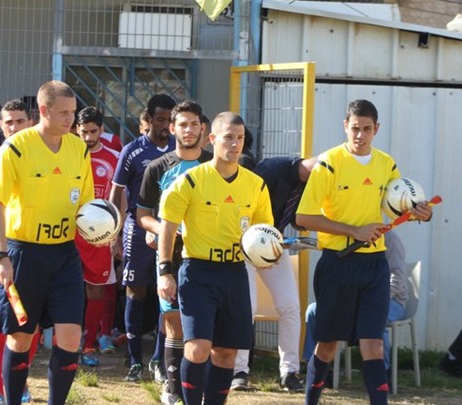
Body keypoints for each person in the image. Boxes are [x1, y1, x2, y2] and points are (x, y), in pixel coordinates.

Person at [296, 99, 432, 405]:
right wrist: (353, 231)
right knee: (327, 345)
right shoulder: (329, 162)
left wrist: (420, 212)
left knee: (373, 344)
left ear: (376, 129)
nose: (360, 135)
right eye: (355, 128)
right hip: (337, 264)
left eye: (366, 129)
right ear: (345, 126)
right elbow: (303, 217)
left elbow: (400, 205)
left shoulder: (386, 163)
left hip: (375, 266)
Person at [0, 80, 94, 405]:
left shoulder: (79, 149)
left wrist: (102, 229)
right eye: (63, 113)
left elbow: (87, 206)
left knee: (71, 336)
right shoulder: (17, 148)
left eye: (73, 112)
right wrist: (1, 255)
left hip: (64, 254)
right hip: (23, 253)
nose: (71, 119)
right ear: (44, 111)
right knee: (21, 338)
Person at [157, 111, 273, 405]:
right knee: (197, 348)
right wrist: (165, 271)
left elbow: (264, 232)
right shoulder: (190, 181)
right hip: (198, 272)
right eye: (228, 137)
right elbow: (167, 226)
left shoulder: (256, 185)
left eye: (240, 138)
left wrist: (268, 253)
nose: (235, 144)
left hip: (235, 273)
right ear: (212, 139)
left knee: (226, 353)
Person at [138, 100, 212, 404]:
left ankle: (198, 388)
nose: (189, 130)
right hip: (170, 254)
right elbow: (143, 215)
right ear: (172, 128)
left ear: (203, 128)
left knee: (204, 327)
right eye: (182, 124)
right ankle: (172, 388)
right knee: (173, 320)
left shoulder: (214, 165)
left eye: (194, 124)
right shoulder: (157, 168)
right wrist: (163, 229)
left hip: (207, 255)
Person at [231, 156, 317, 393]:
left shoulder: (310, 186)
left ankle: (289, 372)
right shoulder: (272, 170)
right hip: (246, 243)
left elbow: (298, 219)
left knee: (290, 306)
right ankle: (238, 371)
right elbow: (246, 205)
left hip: (273, 244)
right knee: (247, 307)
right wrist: (257, 244)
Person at [109, 93, 176, 382]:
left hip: (170, 230)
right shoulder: (133, 151)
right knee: (135, 291)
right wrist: (114, 232)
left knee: (167, 293)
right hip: (137, 229)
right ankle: (135, 360)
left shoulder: (179, 149)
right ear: (148, 119)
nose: (165, 125)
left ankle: (159, 359)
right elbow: (116, 191)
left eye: (170, 120)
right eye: (160, 119)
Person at [0, 99, 36, 405]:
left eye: (19, 121)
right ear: (1, 125)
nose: (14, 127)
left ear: (31, 122)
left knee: (27, 320)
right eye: (8, 122)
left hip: (29, 250)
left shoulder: (40, 156)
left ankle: (19, 383)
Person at [303, 229, 407, 388]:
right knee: (313, 311)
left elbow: (397, 276)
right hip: (349, 297)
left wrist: (375, 300)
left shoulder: (389, 236)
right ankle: (317, 369)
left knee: (375, 320)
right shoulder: (342, 234)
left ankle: (382, 374)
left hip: (390, 300)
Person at [74, 106, 120, 367]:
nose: (88, 137)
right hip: (69, 233)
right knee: (66, 288)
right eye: (83, 132)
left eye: (93, 132)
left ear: (102, 129)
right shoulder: (69, 153)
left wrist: (116, 232)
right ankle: (65, 342)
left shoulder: (114, 157)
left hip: (100, 235)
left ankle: (89, 344)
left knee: (96, 289)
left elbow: (120, 196)